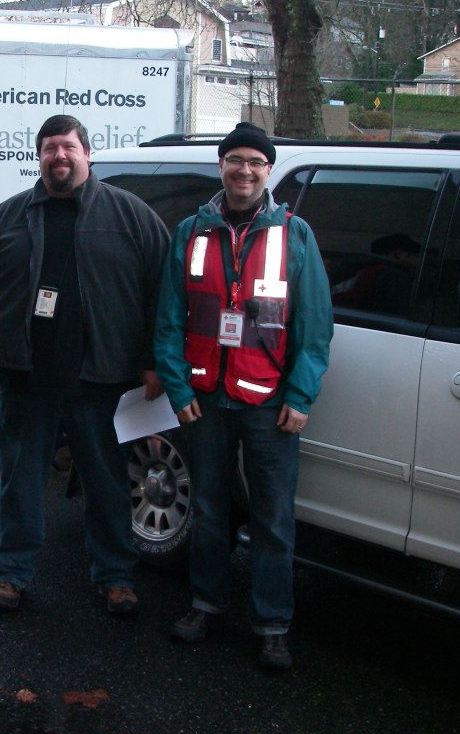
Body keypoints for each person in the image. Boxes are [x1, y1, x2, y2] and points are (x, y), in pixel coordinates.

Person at [0, 114, 170, 616]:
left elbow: (164, 290)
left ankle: (116, 576)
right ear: (39, 156)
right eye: (50, 148)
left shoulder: (130, 216)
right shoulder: (7, 217)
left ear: (87, 154)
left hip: (101, 379)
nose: (60, 156)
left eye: (68, 147)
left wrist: (152, 361)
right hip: (25, 378)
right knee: (20, 481)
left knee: (106, 482)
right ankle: (11, 573)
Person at [153, 122, 333, 670]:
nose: (245, 170)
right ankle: (206, 603)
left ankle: (272, 622)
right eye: (235, 160)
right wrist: (179, 387)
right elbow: (169, 318)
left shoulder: (294, 235)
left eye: (255, 161)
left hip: (268, 406)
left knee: (273, 520)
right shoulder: (191, 231)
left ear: (268, 170)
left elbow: (315, 327)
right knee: (208, 512)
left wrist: (300, 397)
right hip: (204, 401)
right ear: (222, 166)